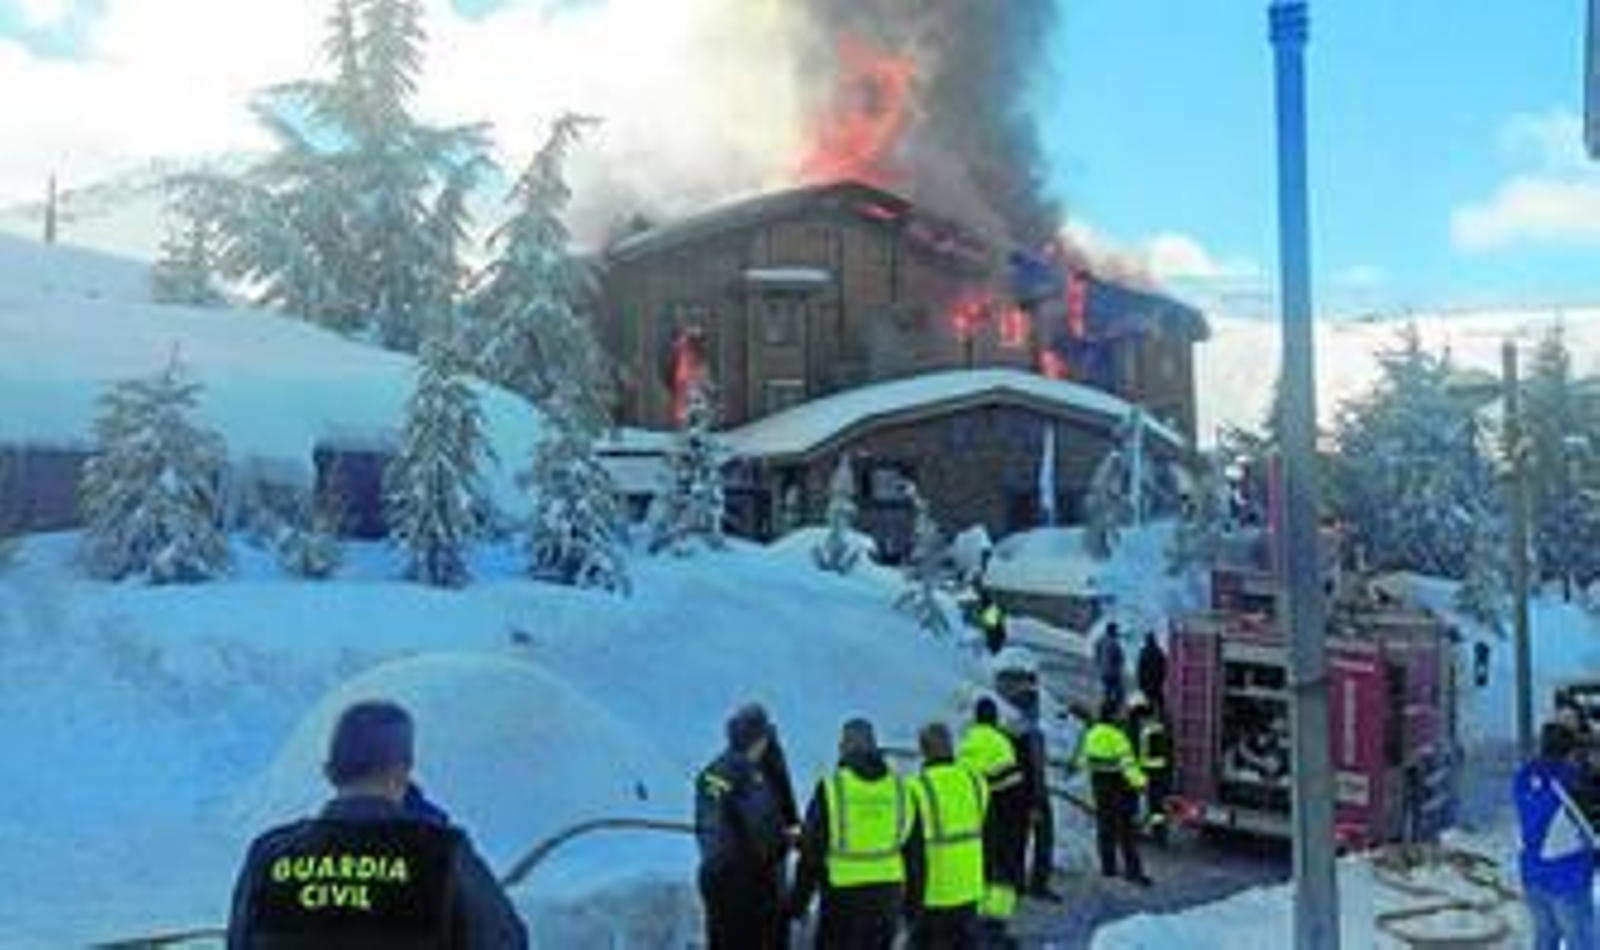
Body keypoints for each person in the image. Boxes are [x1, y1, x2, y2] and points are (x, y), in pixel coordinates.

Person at [226, 700, 527, 949]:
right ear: (403, 770)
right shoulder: (443, 854)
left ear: (330, 772)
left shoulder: (270, 855)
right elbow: (506, 942)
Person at [789, 718, 916, 949]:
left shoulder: (832, 789)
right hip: (888, 896)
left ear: (844, 748)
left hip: (843, 898)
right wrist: (912, 906)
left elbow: (812, 851)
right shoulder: (901, 789)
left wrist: (799, 902)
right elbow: (913, 850)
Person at [697, 704, 791, 950]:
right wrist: (785, 843)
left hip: (714, 878)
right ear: (758, 740)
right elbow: (767, 836)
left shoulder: (713, 771)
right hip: (747, 886)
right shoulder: (750, 777)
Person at [1514, 721, 1596, 950]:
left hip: (1533, 873)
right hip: (1568, 876)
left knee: (1545, 939)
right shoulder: (1570, 779)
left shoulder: (1524, 775)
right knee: (1581, 942)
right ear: (1569, 751)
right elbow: (1589, 818)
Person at [906, 723, 987, 950]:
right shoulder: (976, 781)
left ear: (923, 750)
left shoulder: (915, 787)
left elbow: (910, 846)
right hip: (970, 887)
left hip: (934, 892)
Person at [959, 698, 1029, 947]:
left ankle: (976, 923)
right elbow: (1013, 786)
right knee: (1002, 876)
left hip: (973, 817)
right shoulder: (1000, 743)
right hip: (1000, 816)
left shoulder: (966, 742)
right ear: (994, 718)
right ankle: (995, 929)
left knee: (981, 869)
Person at [1076, 699, 1150, 886]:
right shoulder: (1118, 737)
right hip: (1118, 789)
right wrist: (1142, 783)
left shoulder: (1091, 734)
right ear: (1112, 716)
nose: (1123, 715)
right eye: (1119, 712)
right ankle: (1134, 872)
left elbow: (1082, 761)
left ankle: (1108, 867)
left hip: (1099, 787)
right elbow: (1128, 766)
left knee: (1105, 828)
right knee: (1126, 832)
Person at [1127, 694, 1172, 846]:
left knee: (1133, 803)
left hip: (1141, 770)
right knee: (1156, 807)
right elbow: (1168, 747)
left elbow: (1132, 748)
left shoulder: (1135, 726)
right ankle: (1160, 834)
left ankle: (1133, 831)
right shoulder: (1158, 724)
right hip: (1158, 772)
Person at [1094, 624, 1127, 712]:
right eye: (1115, 630)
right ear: (1113, 631)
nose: (1116, 632)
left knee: (1107, 691)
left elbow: (1097, 652)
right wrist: (1119, 666)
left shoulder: (1101, 640)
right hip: (1113, 673)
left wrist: (1099, 663)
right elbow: (1120, 658)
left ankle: (1105, 708)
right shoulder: (1114, 644)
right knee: (1119, 693)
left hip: (1104, 671)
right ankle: (1113, 709)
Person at [1136, 633, 1167, 714]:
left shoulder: (1143, 652)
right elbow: (1164, 666)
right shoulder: (1159, 651)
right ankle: (1161, 715)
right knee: (1159, 700)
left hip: (1147, 681)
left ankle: (1150, 714)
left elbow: (1140, 669)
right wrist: (1162, 678)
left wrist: (1140, 682)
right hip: (1157, 680)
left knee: (1149, 701)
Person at [975, 587, 1008, 656]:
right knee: (987, 605)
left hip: (991, 620)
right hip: (991, 620)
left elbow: (1000, 627)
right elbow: (1000, 627)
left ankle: (983, 592)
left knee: (987, 605)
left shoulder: (999, 639)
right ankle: (983, 592)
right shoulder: (997, 639)